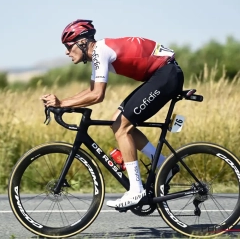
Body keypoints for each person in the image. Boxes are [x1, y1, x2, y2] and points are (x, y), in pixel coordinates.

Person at [41, 19, 184, 209]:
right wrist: (64, 103)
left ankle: (136, 190)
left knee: (122, 128)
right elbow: (92, 90)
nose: (67, 52)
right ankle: (164, 165)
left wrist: (62, 103)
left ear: (82, 42)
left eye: (68, 46)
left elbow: (97, 96)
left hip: (166, 75)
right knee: (116, 122)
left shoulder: (101, 51)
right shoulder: (99, 53)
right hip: (163, 74)